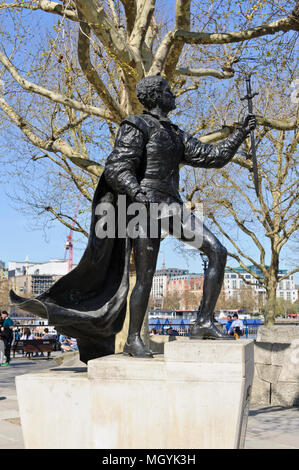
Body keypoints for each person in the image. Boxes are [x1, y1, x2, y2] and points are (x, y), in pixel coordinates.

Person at [10, 75, 256, 362]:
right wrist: (137, 193)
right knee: (145, 277)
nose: (173, 93)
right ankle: (134, 339)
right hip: (143, 206)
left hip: (171, 206)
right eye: (167, 90)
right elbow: (117, 167)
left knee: (217, 251)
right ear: (155, 96)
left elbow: (212, 156)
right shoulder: (136, 125)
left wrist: (241, 132)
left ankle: (203, 321)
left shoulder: (176, 133)